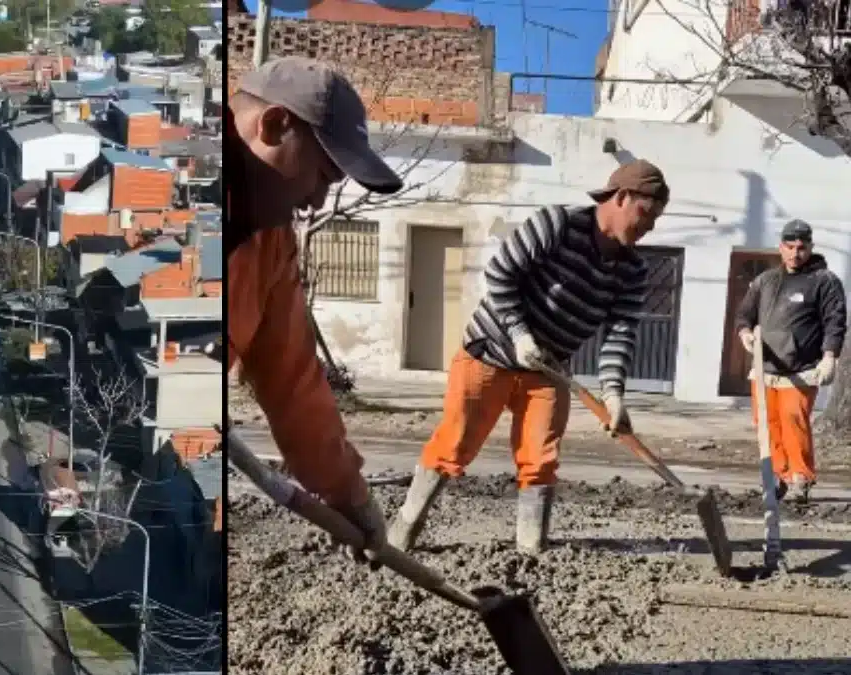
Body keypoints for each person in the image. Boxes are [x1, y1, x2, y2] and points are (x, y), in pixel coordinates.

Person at [387, 160, 668, 555]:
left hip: (548, 369)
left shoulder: (633, 271)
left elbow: (620, 333)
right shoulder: (556, 225)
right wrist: (519, 334)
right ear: (620, 198)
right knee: (455, 446)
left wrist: (614, 395)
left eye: (657, 219)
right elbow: (501, 274)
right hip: (490, 353)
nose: (650, 226)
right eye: (647, 214)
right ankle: (402, 533)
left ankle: (531, 551)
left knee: (540, 459)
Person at [226, 56, 402, 561]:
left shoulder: (272, 244)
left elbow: (293, 381)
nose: (318, 203)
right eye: (322, 176)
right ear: (276, 126)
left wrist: (349, 493)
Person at [735, 219, 846, 503]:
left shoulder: (824, 281)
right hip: (766, 368)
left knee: (793, 420)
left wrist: (830, 356)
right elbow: (744, 315)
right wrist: (745, 333)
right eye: (790, 246)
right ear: (781, 247)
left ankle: (801, 478)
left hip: (802, 369)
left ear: (810, 248)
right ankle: (780, 476)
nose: (796, 253)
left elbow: (835, 321)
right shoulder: (766, 281)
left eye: (802, 247)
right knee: (767, 424)